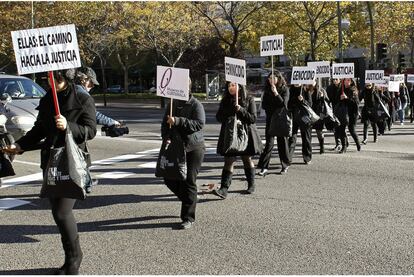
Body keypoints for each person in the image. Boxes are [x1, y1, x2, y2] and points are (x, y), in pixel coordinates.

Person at [3, 70, 97, 274]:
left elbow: (91, 130)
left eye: (58, 78)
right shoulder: (47, 98)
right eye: (49, 78)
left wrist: (68, 126)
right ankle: (70, 257)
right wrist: (20, 145)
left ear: (68, 78)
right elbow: (39, 128)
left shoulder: (81, 98)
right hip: (51, 160)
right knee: (57, 211)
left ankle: (74, 259)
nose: (52, 82)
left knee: (62, 212)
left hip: (72, 161)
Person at [161, 80, 205, 230]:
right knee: (169, 178)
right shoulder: (172, 104)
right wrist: (165, 136)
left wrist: (178, 121)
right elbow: (164, 123)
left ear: (188, 87)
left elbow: (199, 124)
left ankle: (188, 217)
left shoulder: (195, 104)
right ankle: (189, 199)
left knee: (189, 181)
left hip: (194, 148)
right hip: (176, 147)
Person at [213, 82, 263, 199]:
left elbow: (253, 118)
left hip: (246, 134)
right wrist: (230, 110)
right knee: (229, 160)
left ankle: (251, 184)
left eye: (234, 85)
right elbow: (219, 117)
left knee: (246, 158)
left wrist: (241, 110)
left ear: (240, 86)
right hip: (230, 134)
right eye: (229, 85)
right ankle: (224, 188)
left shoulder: (249, 99)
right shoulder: (226, 100)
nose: (231, 88)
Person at [257, 71, 290, 176]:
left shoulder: (284, 89)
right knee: (269, 144)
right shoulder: (267, 90)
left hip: (281, 120)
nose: (271, 80)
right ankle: (264, 167)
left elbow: (283, 104)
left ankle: (285, 165)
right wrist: (271, 96)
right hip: (270, 119)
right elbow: (264, 105)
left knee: (282, 143)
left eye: (274, 78)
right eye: (270, 78)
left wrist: (276, 94)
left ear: (278, 78)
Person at [288, 84, 313, 164]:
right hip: (293, 116)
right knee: (292, 138)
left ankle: (307, 157)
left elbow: (310, 104)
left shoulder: (305, 90)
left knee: (306, 138)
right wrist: (295, 99)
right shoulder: (290, 89)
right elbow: (287, 103)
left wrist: (303, 101)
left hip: (304, 117)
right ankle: (288, 158)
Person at [336, 78, 361, 153]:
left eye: (348, 80)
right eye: (345, 80)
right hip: (343, 113)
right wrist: (340, 98)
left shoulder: (353, 90)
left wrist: (347, 98)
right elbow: (336, 99)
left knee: (351, 129)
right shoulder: (341, 89)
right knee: (341, 129)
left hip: (352, 114)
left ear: (351, 81)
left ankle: (358, 144)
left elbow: (356, 103)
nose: (346, 82)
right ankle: (344, 147)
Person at [310, 81, 329, 154]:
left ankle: (322, 146)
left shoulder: (321, 90)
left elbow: (327, 101)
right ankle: (308, 147)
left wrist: (322, 97)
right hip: (309, 113)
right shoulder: (306, 89)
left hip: (318, 114)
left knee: (319, 132)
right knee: (308, 132)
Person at [326, 78, 342, 151]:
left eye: (336, 79)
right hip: (333, 109)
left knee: (342, 127)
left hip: (342, 109)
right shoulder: (329, 88)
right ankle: (338, 143)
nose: (335, 81)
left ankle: (345, 142)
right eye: (334, 79)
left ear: (340, 80)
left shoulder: (343, 87)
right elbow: (327, 98)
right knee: (336, 127)